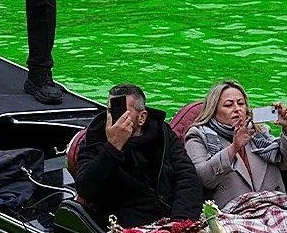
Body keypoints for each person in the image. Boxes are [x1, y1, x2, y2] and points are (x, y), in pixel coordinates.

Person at [184, 81, 287, 232]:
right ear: (213, 110)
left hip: (274, 206)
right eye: (228, 105)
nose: (237, 109)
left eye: (241, 103)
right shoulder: (198, 136)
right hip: (232, 213)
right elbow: (203, 178)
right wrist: (234, 148)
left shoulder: (260, 133)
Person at [75, 84, 203, 228]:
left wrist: (180, 221)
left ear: (142, 117)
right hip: (124, 223)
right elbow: (86, 189)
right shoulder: (95, 137)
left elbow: (187, 177)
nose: (115, 118)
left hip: (169, 215)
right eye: (111, 111)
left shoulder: (161, 134)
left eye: (122, 112)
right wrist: (113, 146)